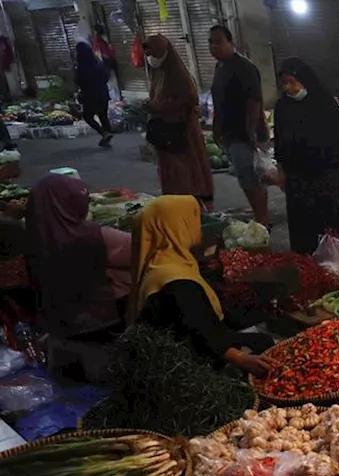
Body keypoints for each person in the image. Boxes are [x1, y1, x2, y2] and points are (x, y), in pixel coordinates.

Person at [128, 196, 273, 378]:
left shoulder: (160, 259)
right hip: (190, 356)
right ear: (178, 225)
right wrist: (241, 359)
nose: (197, 223)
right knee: (264, 342)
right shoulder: (176, 280)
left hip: (185, 339)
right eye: (193, 217)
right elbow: (199, 330)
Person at [25, 174, 131, 338]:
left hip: (54, 321)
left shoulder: (32, 235)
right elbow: (142, 250)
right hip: (101, 319)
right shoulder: (95, 236)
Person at [273, 58, 339, 256]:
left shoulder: (324, 102)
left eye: (292, 82)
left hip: (329, 173)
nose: (288, 87)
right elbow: (279, 141)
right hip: (298, 176)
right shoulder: (282, 107)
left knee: (335, 220)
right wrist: (281, 170)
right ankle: (308, 261)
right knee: (304, 225)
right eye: (284, 83)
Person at [209, 24, 271, 226]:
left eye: (219, 42)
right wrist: (216, 126)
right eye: (210, 42)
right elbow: (219, 99)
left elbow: (254, 100)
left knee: (252, 179)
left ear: (231, 42)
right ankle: (260, 214)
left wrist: (251, 131)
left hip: (246, 135)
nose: (213, 46)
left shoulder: (244, 67)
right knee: (247, 178)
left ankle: (263, 218)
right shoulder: (220, 68)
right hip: (231, 133)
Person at [144, 35, 213, 207]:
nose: (149, 57)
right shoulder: (158, 74)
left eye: (153, 53)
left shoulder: (179, 75)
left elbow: (188, 100)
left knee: (186, 170)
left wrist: (158, 106)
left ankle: (192, 203)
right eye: (148, 53)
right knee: (171, 172)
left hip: (182, 131)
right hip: (165, 131)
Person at [74, 42, 112, 148]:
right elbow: (106, 76)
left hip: (90, 95)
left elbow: (78, 81)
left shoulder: (81, 67)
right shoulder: (98, 62)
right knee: (103, 116)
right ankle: (107, 136)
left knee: (88, 116)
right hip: (103, 93)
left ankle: (104, 133)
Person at [91, 24, 120, 102]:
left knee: (110, 85)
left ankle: (114, 101)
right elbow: (109, 53)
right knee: (112, 85)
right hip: (106, 66)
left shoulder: (96, 42)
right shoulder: (101, 42)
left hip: (103, 66)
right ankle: (115, 101)